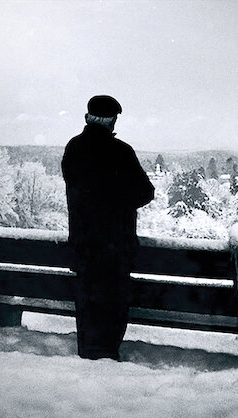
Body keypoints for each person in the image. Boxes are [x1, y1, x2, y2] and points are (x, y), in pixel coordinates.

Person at [61, 95, 154, 360]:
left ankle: (88, 352)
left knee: (87, 302)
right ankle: (107, 355)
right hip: (115, 248)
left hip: (83, 246)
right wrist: (118, 201)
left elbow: (80, 189)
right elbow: (145, 192)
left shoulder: (74, 148)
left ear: (88, 118)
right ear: (112, 120)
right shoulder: (121, 152)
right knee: (113, 304)